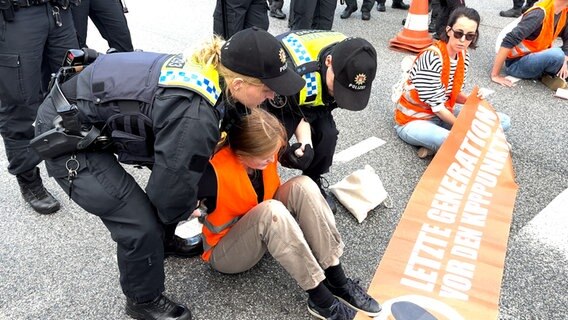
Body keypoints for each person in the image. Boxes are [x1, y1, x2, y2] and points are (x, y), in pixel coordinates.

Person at [32, 27, 305, 320]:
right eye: (266, 88)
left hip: (90, 113)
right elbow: (169, 193)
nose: (272, 94)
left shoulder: (215, 70)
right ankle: (143, 300)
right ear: (238, 83)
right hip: (68, 137)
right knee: (140, 223)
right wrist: (190, 209)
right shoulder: (195, 115)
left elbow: (207, 143)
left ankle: (162, 244)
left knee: (180, 182)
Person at [195, 107, 382, 320]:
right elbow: (171, 199)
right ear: (242, 154)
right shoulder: (211, 173)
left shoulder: (264, 146)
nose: (271, 159)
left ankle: (336, 279)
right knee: (271, 211)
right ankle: (320, 300)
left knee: (303, 184)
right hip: (226, 251)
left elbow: (302, 114)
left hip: (264, 228)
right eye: (265, 157)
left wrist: (304, 146)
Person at [266, 30, 378, 214]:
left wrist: (307, 144)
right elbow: (284, 113)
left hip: (313, 97)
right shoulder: (296, 72)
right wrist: (285, 152)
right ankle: (262, 190)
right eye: (339, 87)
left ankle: (313, 181)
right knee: (271, 142)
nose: (342, 95)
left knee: (328, 135)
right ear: (329, 62)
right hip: (283, 96)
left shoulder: (354, 57)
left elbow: (322, 109)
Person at [394, 7, 511, 158]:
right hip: (414, 120)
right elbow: (437, 108)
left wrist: (473, 99)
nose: (463, 40)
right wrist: (464, 128)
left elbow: (452, 94)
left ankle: (436, 147)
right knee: (454, 137)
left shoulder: (463, 56)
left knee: (502, 120)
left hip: (444, 114)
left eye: (469, 36)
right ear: (449, 31)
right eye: (458, 33)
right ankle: (474, 144)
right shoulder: (431, 57)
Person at [0, 0, 79, 215]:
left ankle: (80, 164)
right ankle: (29, 180)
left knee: (73, 89)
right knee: (19, 104)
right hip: (17, 15)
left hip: (58, 12)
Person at [491, 0, 568, 90]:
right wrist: (495, 75)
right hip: (516, 63)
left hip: (538, 56)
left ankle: (549, 74)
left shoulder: (564, 12)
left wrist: (565, 60)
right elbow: (508, 40)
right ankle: (548, 74)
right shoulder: (539, 13)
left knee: (561, 56)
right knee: (557, 54)